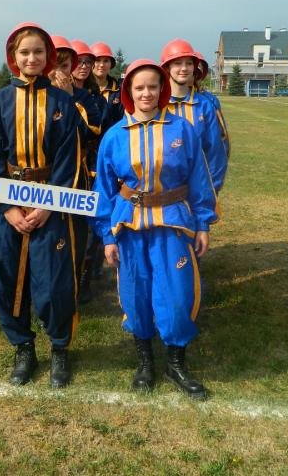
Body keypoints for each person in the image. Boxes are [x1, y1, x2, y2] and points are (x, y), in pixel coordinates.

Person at [92, 59, 217, 399]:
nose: (146, 93)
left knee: (177, 293)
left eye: (152, 86)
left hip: (172, 224)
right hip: (129, 226)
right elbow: (104, 190)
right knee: (136, 292)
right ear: (128, 92)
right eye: (139, 88)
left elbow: (199, 178)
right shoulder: (114, 136)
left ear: (161, 89)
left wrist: (203, 223)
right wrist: (107, 235)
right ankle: (145, 362)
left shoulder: (182, 129)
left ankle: (176, 363)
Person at [0, 22, 80, 388]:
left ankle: (59, 348)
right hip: (7, 204)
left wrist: (48, 204)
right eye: (25, 52)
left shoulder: (63, 103)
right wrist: (7, 208)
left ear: (48, 56)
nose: (31, 58)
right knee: (7, 279)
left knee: (53, 281)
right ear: (13, 57)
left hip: (49, 202)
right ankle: (23, 347)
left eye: (38, 52)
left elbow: (69, 158)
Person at [49, 35, 103, 304]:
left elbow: (89, 134)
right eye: (55, 66)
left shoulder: (84, 97)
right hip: (44, 175)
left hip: (78, 175)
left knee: (78, 232)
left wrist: (69, 99)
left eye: (64, 66)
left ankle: (80, 282)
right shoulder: (37, 96)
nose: (59, 72)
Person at [161, 39, 227, 195]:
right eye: (177, 63)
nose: (184, 68)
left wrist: (211, 190)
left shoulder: (205, 105)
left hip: (197, 191)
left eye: (189, 63)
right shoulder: (156, 104)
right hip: (163, 195)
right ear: (167, 67)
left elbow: (215, 153)